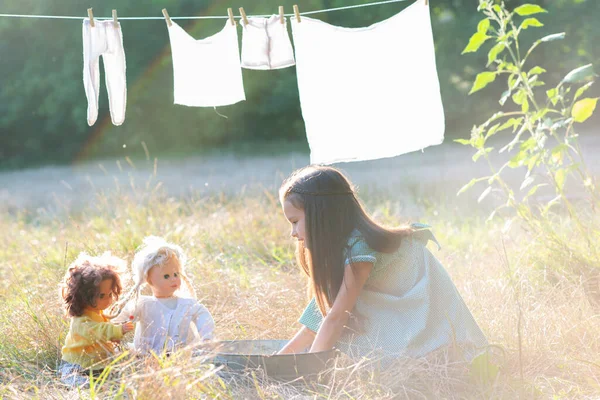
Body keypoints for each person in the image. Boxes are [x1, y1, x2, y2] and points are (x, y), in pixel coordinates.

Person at [277, 165, 487, 362]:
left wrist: (311, 367)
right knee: (335, 338)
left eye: (295, 222)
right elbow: (321, 318)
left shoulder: (359, 248)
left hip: (423, 299)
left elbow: (337, 316)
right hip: (395, 301)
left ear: (321, 215)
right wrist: (279, 359)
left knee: (357, 346)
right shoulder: (340, 250)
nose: (293, 233)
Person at [112, 236, 215, 354]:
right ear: (149, 280)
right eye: (166, 276)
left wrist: (206, 337)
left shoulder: (187, 304)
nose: (173, 279)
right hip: (147, 357)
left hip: (181, 357)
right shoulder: (143, 304)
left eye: (176, 274)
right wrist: (115, 331)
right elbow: (123, 316)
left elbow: (203, 317)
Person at [59, 252, 134, 387]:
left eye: (110, 294)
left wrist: (112, 339)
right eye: (101, 295)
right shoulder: (81, 321)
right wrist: (118, 330)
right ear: (83, 296)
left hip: (96, 364)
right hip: (77, 365)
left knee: (116, 375)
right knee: (80, 383)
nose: (108, 300)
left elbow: (103, 331)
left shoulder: (98, 313)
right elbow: (97, 331)